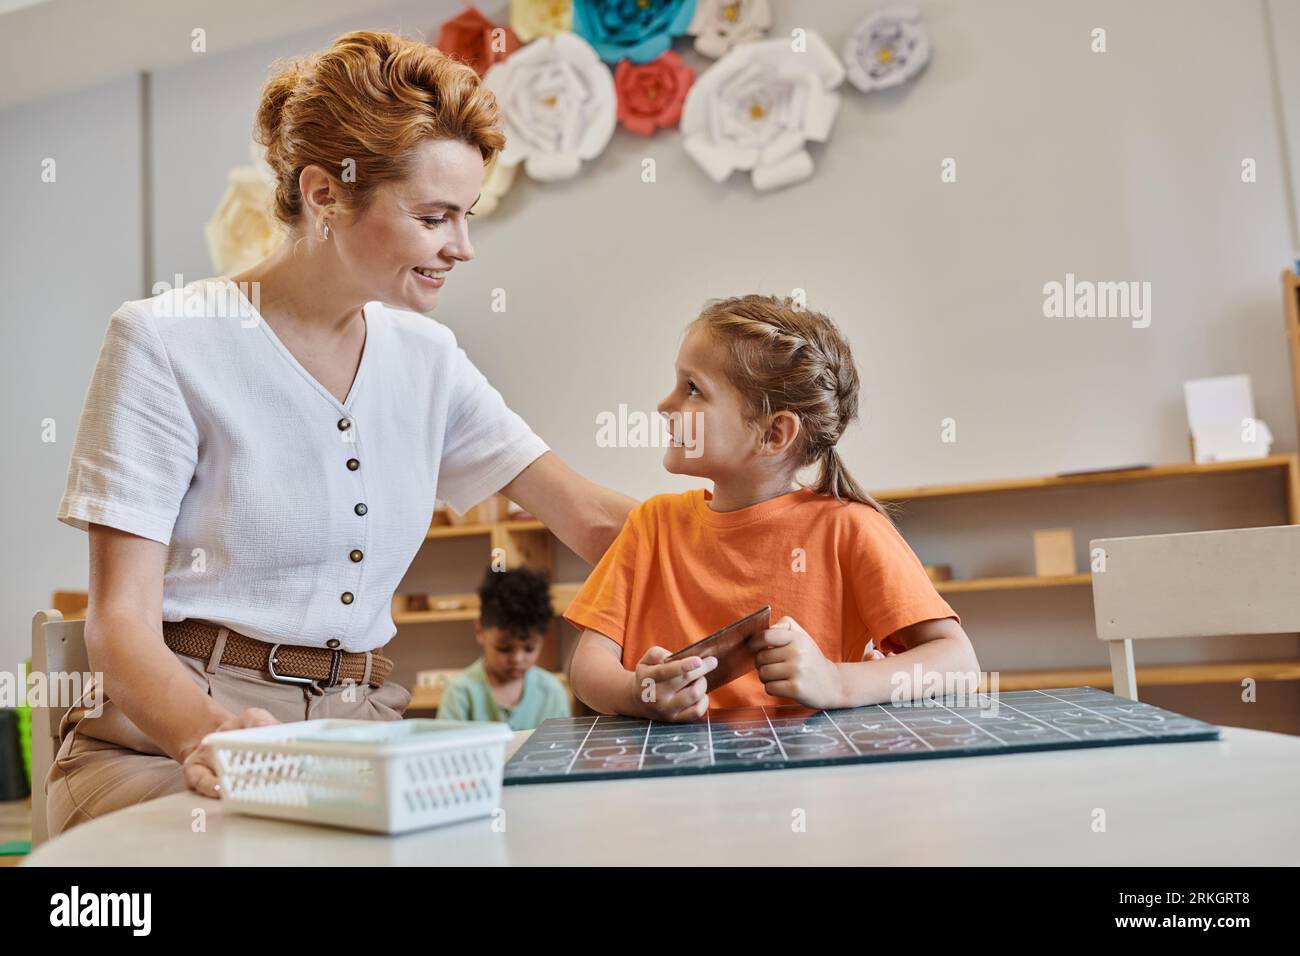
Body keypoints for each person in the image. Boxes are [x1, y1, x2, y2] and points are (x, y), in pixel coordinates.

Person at [47, 31, 635, 836]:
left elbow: (591, 519)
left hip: (356, 734)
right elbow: (118, 625)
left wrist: (758, 544)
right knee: (280, 844)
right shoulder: (166, 338)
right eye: (434, 217)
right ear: (325, 194)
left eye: (463, 217)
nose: (461, 247)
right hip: (163, 745)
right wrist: (208, 734)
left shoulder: (427, 357)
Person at [565, 294, 980, 721]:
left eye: (692, 389)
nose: (664, 405)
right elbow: (587, 666)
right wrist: (639, 691)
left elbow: (958, 664)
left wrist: (836, 681)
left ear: (773, 433)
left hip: (810, 781)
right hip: (670, 778)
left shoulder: (850, 529)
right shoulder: (651, 524)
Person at [439, 568, 571, 730]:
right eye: (504, 648)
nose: (517, 658)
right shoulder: (461, 692)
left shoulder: (551, 692)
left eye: (529, 649)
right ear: (480, 631)